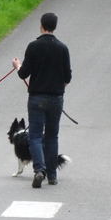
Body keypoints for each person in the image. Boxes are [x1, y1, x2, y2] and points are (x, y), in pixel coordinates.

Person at [12, 12, 72, 188]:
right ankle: (52, 175)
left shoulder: (33, 46)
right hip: (56, 99)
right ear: (55, 26)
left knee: (35, 137)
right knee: (52, 137)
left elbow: (23, 74)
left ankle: (39, 170)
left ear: (41, 25)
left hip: (36, 98)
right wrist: (58, 87)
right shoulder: (63, 48)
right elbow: (67, 78)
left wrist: (17, 66)